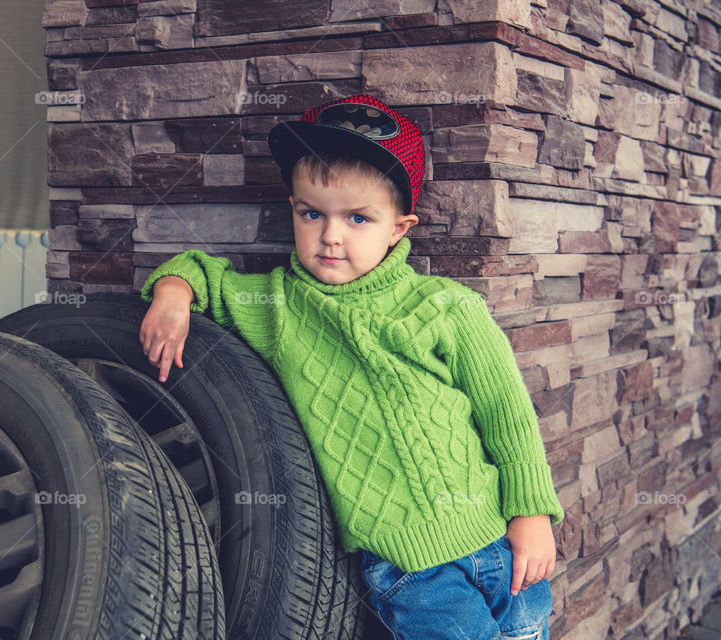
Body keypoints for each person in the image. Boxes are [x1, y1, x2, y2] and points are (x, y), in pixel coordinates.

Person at [138, 93, 564, 640]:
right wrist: (172, 293)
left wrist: (531, 515)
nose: (330, 234)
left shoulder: (448, 307)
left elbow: (508, 416)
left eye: (357, 217)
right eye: (311, 212)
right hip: (413, 570)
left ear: (398, 229)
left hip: (502, 542)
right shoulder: (279, 308)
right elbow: (200, 271)